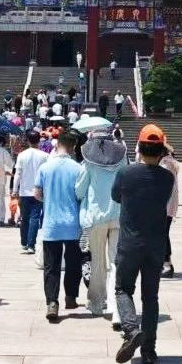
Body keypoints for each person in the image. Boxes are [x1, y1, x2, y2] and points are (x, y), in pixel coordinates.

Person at [111, 124, 175, 364]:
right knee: (151, 297)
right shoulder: (167, 178)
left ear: (138, 147)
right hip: (156, 245)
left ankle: (131, 329)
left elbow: (115, 196)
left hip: (129, 243)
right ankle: (149, 350)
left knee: (123, 289)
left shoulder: (125, 173)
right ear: (161, 151)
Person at [75, 134, 127, 328]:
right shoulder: (122, 157)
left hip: (96, 217)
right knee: (115, 262)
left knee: (97, 261)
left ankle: (97, 303)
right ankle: (117, 309)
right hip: (118, 215)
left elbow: (79, 190)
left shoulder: (89, 161)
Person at [34, 131, 83, 322]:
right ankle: (70, 297)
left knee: (51, 266)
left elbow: (37, 194)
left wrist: (50, 200)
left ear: (57, 145)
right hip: (73, 224)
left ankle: (52, 302)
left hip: (51, 224)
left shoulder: (45, 167)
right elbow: (81, 195)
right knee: (73, 264)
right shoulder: (78, 168)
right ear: (73, 147)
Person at [13, 130, 48, 253]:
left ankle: (24, 242)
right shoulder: (45, 156)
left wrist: (14, 189)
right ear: (39, 141)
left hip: (24, 191)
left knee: (25, 217)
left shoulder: (22, 155)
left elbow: (18, 174)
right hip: (39, 191)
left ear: (28, 141)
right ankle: (31, 244)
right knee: (35, 218)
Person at [160, 144, 179, 278]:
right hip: (167, 205)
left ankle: (167, 264)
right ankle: (165, 263)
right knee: (163, 233)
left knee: (162, 234)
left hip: (164, 205)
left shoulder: (166, 165)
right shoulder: (168, 162)